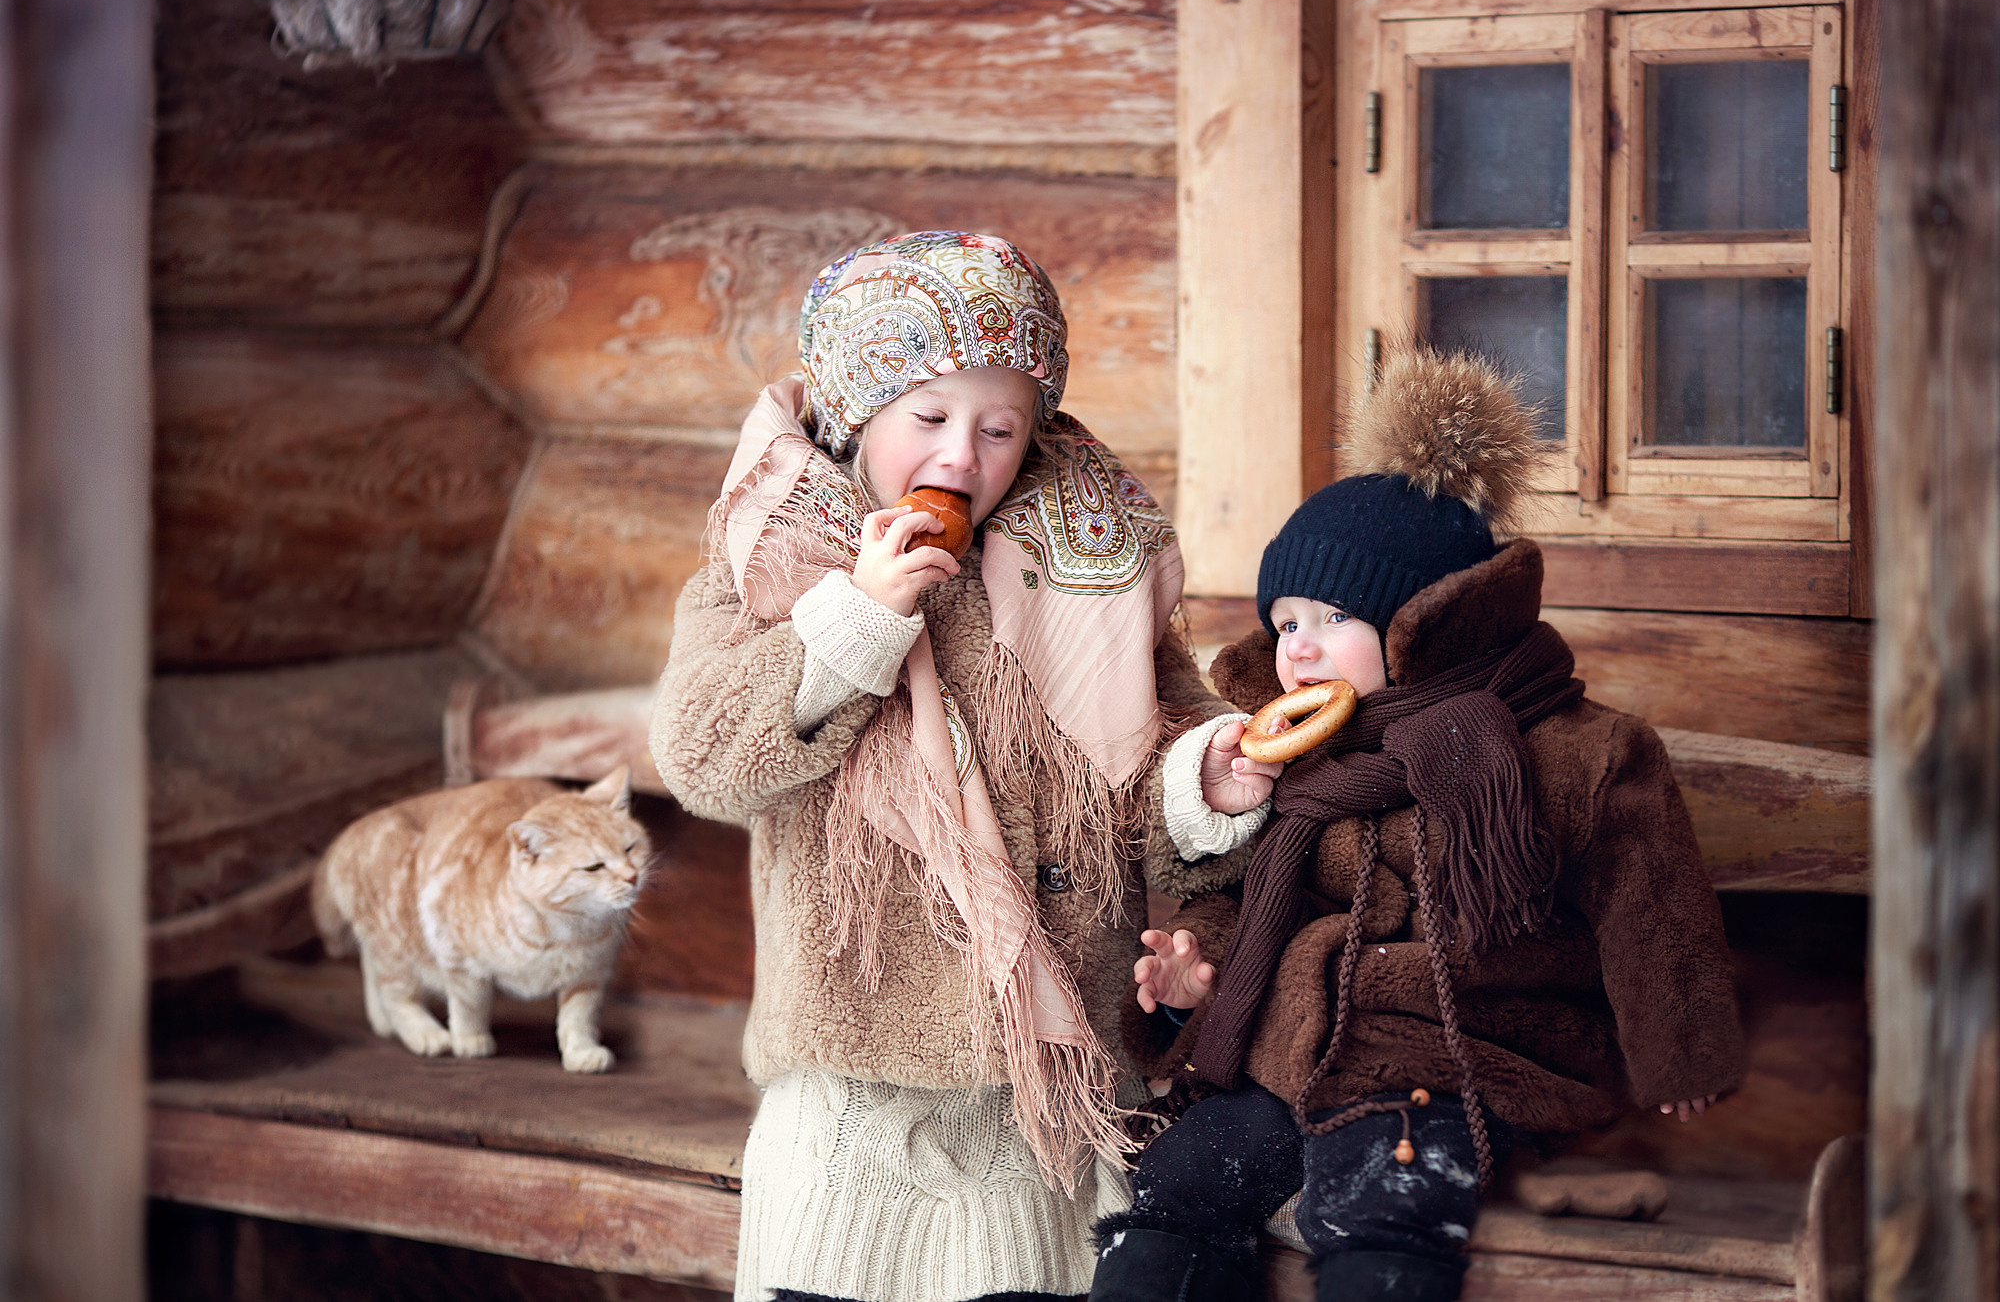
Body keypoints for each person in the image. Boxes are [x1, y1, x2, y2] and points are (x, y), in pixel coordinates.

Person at [650, 231, 1253, 1302]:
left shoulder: (1094, 560)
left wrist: (1207, 772)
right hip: (849, 1077)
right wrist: (853, 623)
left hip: (1045, 1093)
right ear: (855, 412)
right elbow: (702, 759)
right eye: (927, 419)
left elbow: (1162, 742)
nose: (961, 457)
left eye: (998, 428)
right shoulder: (771, 558)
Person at [1094, 347, 1747, 1302]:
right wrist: (1194, 979)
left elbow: (1651, 907)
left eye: (1331, 615)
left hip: (1463, 1049)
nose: (1299, 645)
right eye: (1284, 621)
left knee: (1381, 1205)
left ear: (1427, 620)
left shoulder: (1569, 751)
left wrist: (1682, 1049)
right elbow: (1241, 903)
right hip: (1291, 1052)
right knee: (1176, 1186)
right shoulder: (1288, 757)